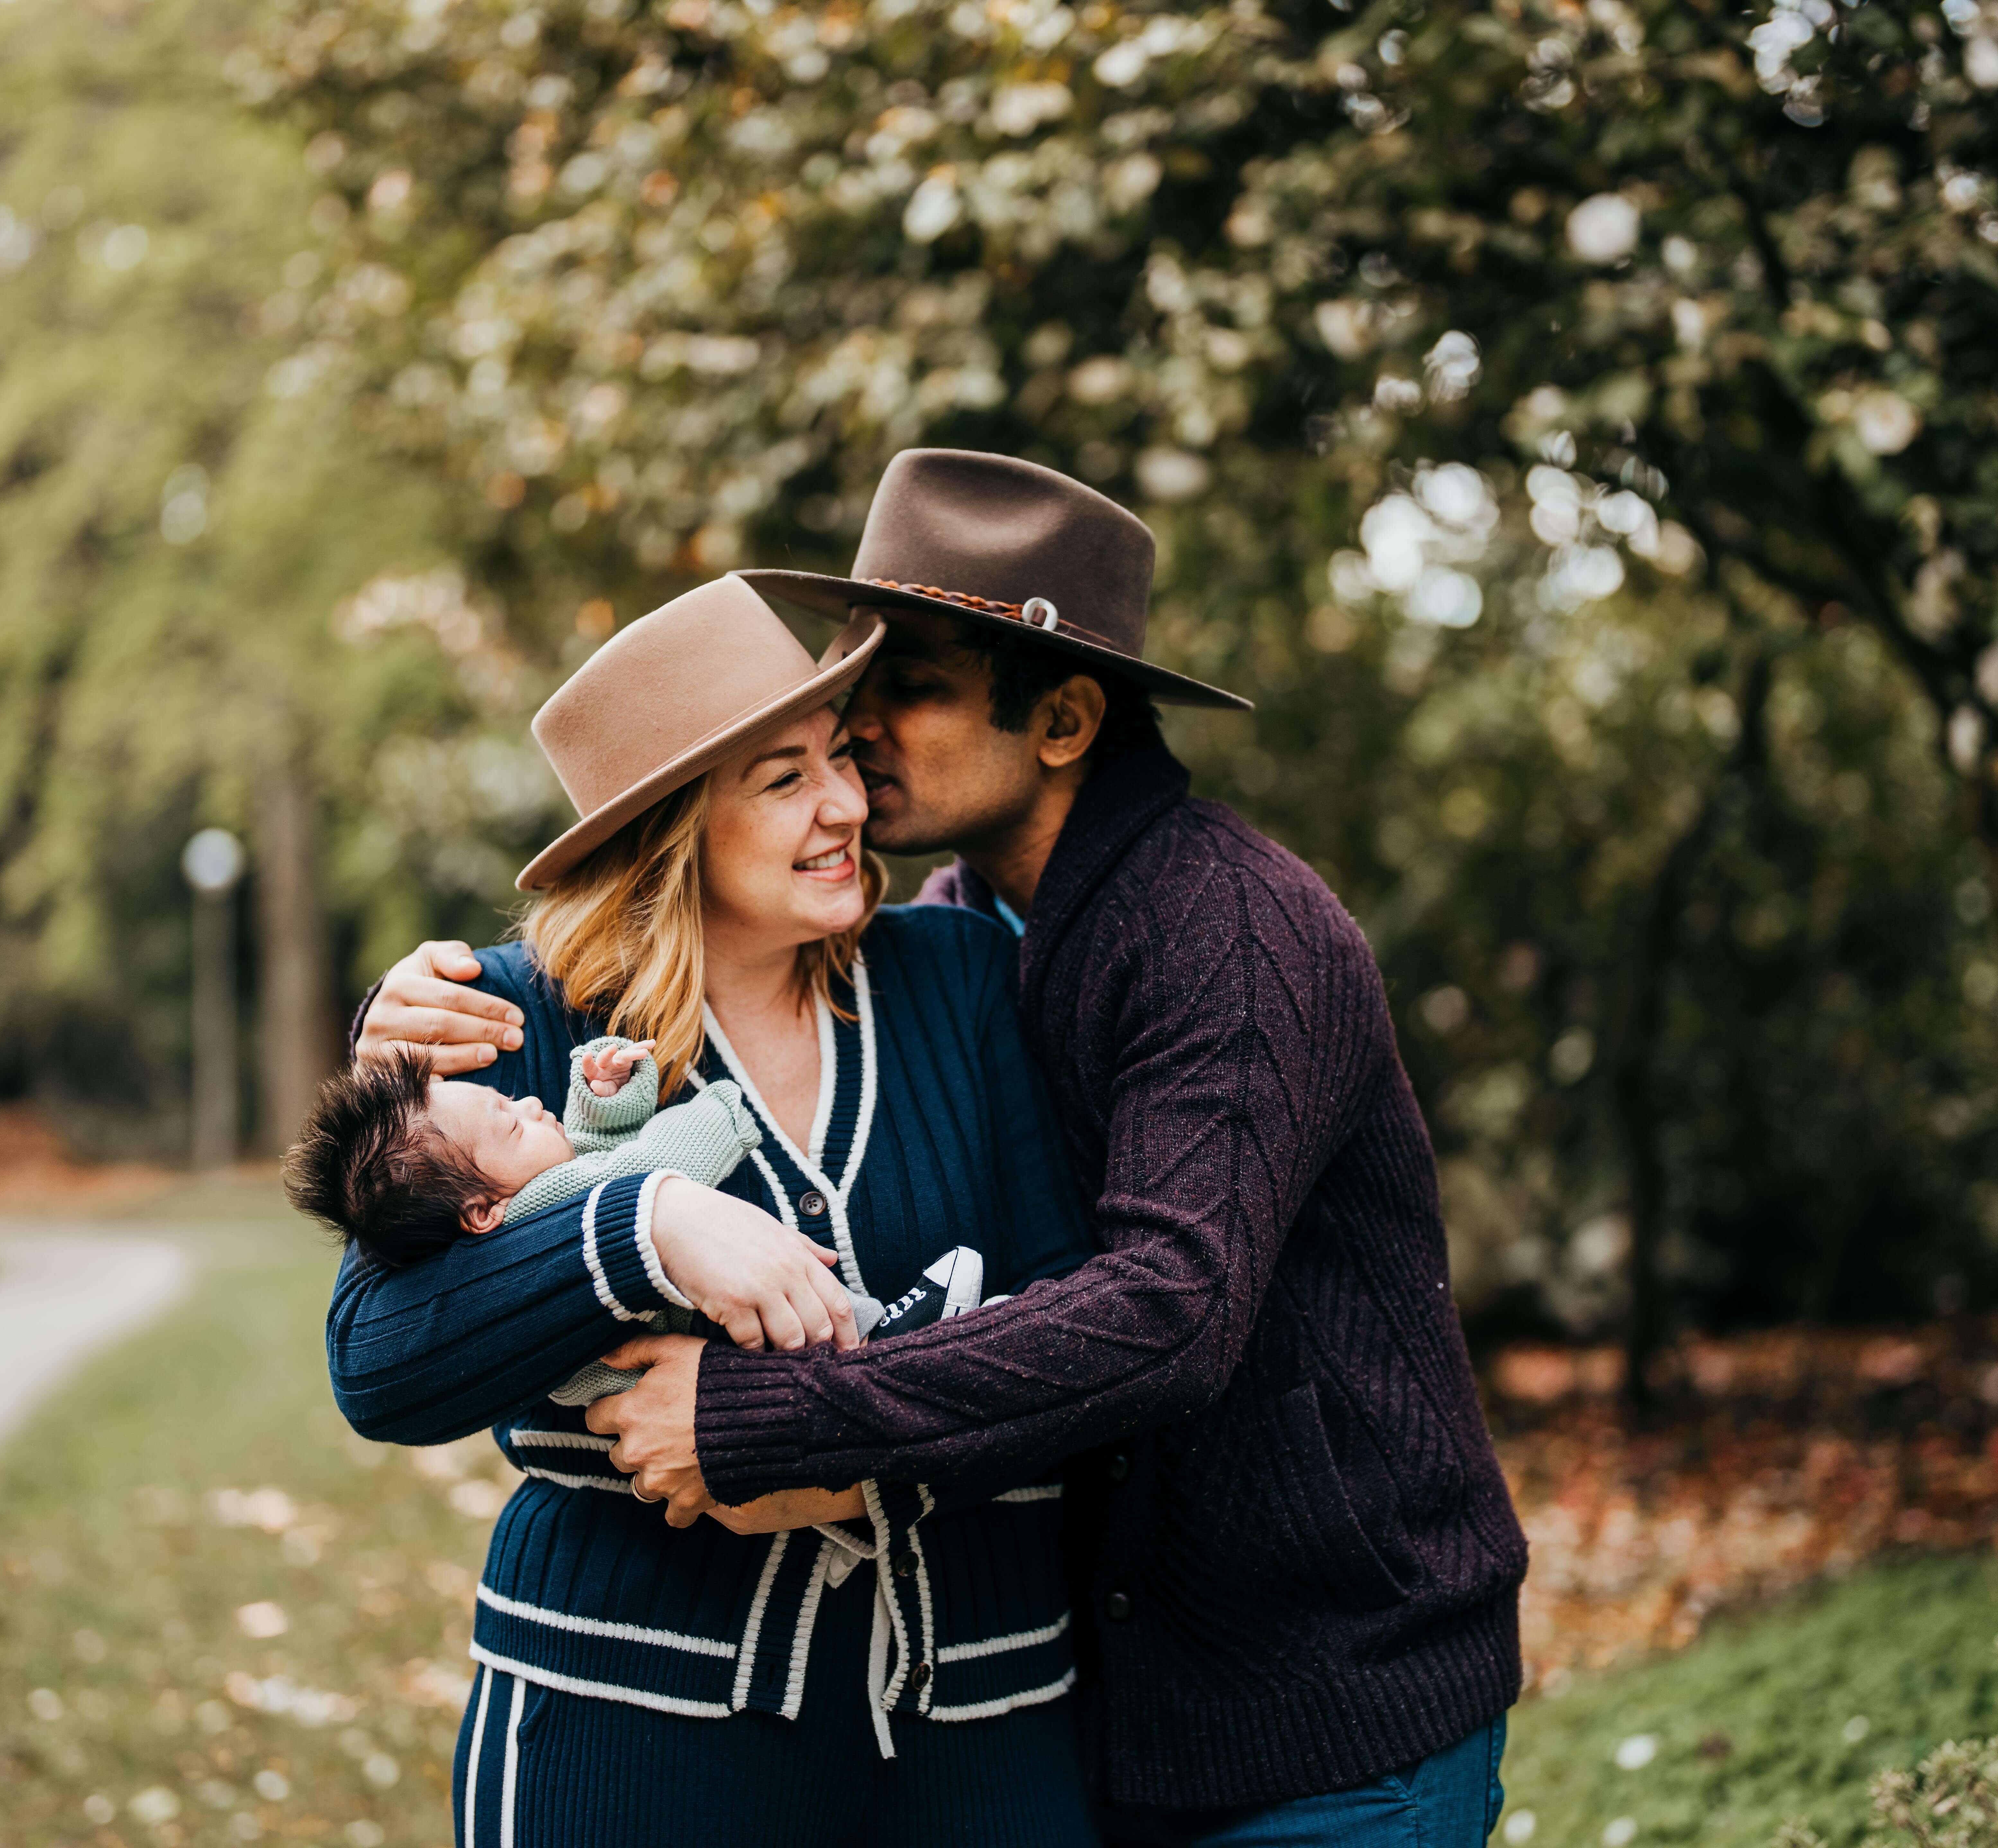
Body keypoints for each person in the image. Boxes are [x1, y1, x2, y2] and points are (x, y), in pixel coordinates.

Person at [353, 450, 1530, 1846]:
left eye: (901, 691)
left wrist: (766, 1422)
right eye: (823, 727)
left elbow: (1166, 1307)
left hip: (1324, 1683)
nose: (856, 755)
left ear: (1066, 717)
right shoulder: (960, 933)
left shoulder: (1214, 930)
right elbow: (385, 1345)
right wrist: (600, 1191)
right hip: (1097, 1700)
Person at [323, 575, 1101, 1846]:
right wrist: (646, 1226)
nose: (850, 804)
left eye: (839, 757)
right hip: (627, 1729)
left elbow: (1083, 1332)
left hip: (976, 1722)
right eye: (785, 780)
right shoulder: (512, 1018)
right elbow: (380, 1364)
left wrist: (842, 1466)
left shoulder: (959, 980)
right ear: (673, 826)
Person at [285, 1038, 984, 1402]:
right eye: (511, 1124)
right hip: (674, 1365)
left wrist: (601, 1100)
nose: (530, 1105)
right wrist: (720, 1116)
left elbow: (589, 1158)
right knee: (790, 1328)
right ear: (483, 1212)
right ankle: (881, 1333)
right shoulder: (539, 1211)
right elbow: (631, 1171)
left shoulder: (513, 1207)